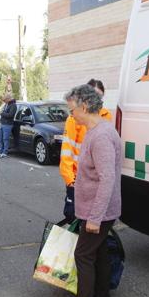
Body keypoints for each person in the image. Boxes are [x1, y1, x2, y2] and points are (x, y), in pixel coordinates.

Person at [53, 84, 122, 297]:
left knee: (83, 255)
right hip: (96, 210)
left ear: (84, 106)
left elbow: (107, 179)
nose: (70, 115)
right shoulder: (96, 131)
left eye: (72, 110)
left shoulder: (101, 136)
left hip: (98, 212)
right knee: (99, 254)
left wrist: (94, 218)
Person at [59, 78, 112, 221]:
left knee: (94, 219)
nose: (96, 100)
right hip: (77, 178)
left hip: (95, 179)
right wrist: (70, 180)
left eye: (99, 96)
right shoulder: (74, 118)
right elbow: (67, 150)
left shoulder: (106, 116)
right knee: (73, 216)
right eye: (92, 95)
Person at [0, 92, 17, 158]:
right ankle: (0, 152)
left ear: (8, 99)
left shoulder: (13, 105)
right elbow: (5, 112)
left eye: (5, 100)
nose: (4, 101)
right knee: (0, 138)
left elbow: (10, 115)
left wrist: (2, 113)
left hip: (8, 124)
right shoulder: (7, 104)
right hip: (3, 123)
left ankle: (5, 152)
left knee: (5, 139)